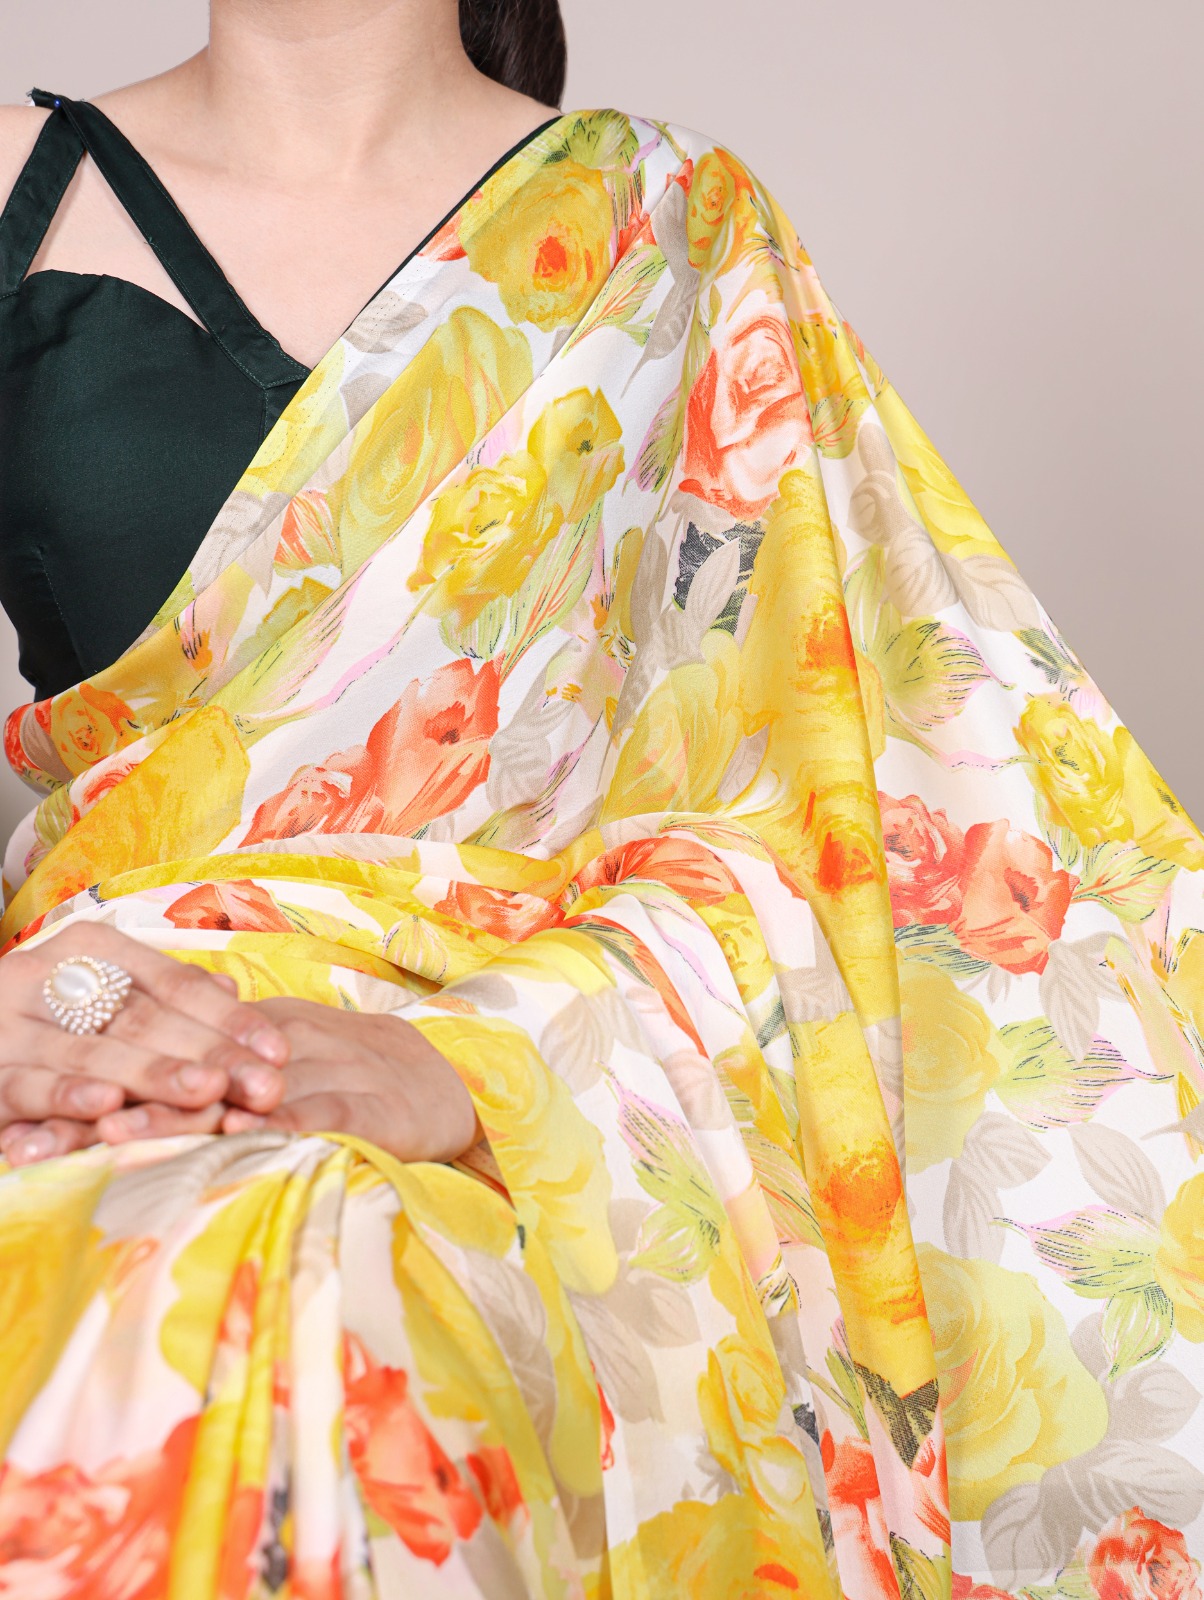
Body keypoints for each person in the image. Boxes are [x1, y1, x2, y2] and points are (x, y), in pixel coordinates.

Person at [0, 0, 1200, 1594]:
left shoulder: (672, 233)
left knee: (329, 1287)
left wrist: (488, 1065)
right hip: (90, 1037)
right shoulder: (17, 199)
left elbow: (854, 828)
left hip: (534, 1071)